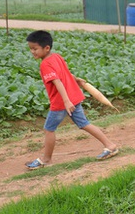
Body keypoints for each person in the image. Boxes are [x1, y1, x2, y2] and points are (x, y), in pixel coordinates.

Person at [25, 30, 119, 170]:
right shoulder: (56, 57)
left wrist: (66, 101)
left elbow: (57, 82)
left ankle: (46, 159)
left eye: (35, 49)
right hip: (73, 97)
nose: (32, 52)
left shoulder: (45, 64)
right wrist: (76, 79)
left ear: (46, 48)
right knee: (84, 123)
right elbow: (65, 73)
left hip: (62, 102)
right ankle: (110, 146)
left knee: (49, 129)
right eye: (30, 49)